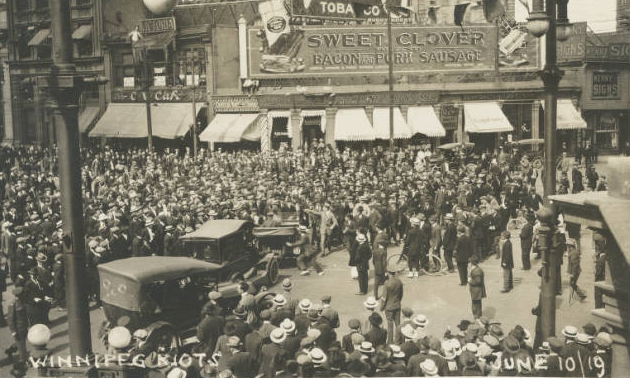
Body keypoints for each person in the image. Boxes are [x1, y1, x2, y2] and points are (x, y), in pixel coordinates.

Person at [380, 264, 403, 345]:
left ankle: (390, 341)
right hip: (397, 305)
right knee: (398, 324)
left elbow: (384, 297)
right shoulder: (399, 281)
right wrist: (398, 301)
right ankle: (399, 340)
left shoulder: (387, 283)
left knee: (390, 325)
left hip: (389, 307)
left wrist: (381, 307)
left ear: (388, 273)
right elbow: (401, 295)